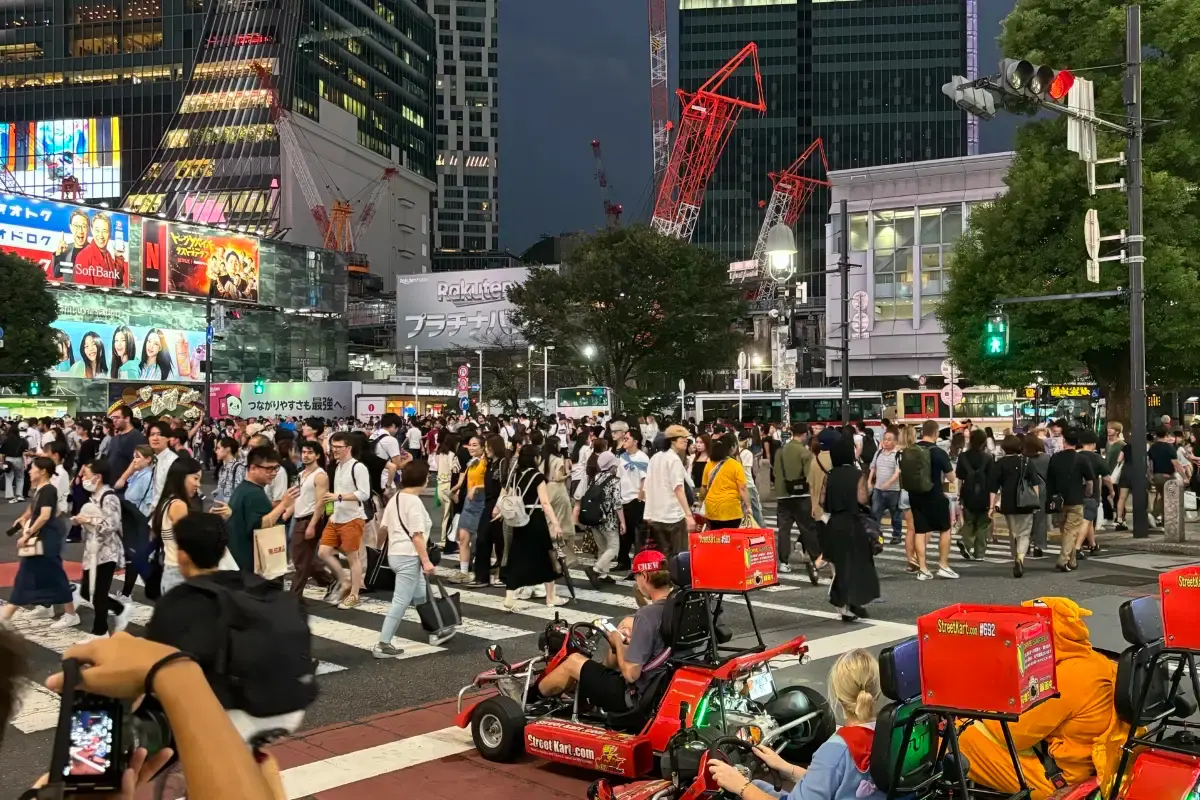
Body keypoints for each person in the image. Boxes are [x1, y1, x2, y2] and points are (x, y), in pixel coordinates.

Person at [960, 598, 1120, 800]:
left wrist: (985, 707)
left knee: (958, 733)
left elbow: (1013, 734)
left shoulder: (1065, 677)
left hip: (1060, 779)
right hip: (1086, 765)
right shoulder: (1095, 661)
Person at [708, 649, 886, 800]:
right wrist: (786, 767)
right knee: (758, 785)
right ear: (877, 691)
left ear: (837, 695)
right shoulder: (887, 732)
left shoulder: (836, 750)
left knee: (748, 789)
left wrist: (740, 786)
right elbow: (828, 780)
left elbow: (830, 770)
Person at [535, 550, 672, 713]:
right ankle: (591, 685)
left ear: (645, 576)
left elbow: (631, 675)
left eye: (636, 577)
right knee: (625, 629)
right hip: (661, 685)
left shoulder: (647, 615)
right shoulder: (677, 604)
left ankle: (533, 698)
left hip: (635, 697)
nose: (636, 582)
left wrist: (618, 642)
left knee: (573, 661)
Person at [374, 460, 443, 657]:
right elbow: (417, 536)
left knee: (420, 594)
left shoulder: (396, 498)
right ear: (423, 479)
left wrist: (378, 548)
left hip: (395, 554)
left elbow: (383, 528)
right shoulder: (414, 502)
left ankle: (434, 628)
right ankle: (383, 643)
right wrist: (426, 562)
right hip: (409, 556)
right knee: (401, 601)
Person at [0, 457, 78, 630]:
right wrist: (23, 518)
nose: (29, 471)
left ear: (43, 471)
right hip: (42, 539)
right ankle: (48, 608)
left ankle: (7, 615)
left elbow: (44, 515)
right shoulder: (40, 489)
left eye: (32, 468)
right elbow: (33, 509)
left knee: (43, 575)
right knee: (44, 576)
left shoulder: (48, 490)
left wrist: (27, 534)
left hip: (46, 540)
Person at [499, 444, 566, 609]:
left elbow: (512, 495)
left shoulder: (515, 475)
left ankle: (509, 597)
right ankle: (551, 597)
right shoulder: (538, 476)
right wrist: (556, 523)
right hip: (535, 518)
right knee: (546, 557)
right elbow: (545, 502)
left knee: (517, 556)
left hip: (519, 519)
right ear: (535, 458)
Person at [70, 458, 132, 637]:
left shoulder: (109, 497)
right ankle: (119, 609)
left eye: (86, 475)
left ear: (98, 477)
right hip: (93, 550)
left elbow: (111, 525)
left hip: (107, 551)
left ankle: (100, 631)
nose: (83, 478)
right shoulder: (95, 496)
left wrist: (87, 520)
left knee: (98, 593)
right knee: (87, 591)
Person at [213, 446, 298, 576]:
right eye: (269, 469)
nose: (274, 473)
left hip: (238, 557)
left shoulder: (244, 488)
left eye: (276, 468)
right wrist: (283, 504)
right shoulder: (254, 493)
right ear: (253, 468)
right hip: (250, 561)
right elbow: (260, 525)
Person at [821, 437, 879, 622]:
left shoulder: (829, 475)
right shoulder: (858, 474)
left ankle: (843, 603)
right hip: (853, 523)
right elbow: (862, 499)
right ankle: (853, 602)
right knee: (858, 564)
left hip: (834, 524)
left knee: (842, 565)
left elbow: (822, 501)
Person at [905, 420, 958, 581]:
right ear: (936, 433)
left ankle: (923, 569)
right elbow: (951, 477)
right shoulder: (938, 452)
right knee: (945, 529)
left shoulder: (910, 450)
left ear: (922, 432)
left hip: (915, 495)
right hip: (935, 496)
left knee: (920, 531)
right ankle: (943, 565)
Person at [775, 423, 822, 583]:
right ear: (804, 434)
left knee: (784, 530)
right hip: (801, 495)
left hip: (783, 495)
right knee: (808, 528)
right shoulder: (804, 452)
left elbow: (776, 473)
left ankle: (784, 562)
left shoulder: (780, 451)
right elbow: (810, 477)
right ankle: (816, 559)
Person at [150, 456, 204, 596]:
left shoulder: (167, 501)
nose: (198, 484)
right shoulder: (179, 505)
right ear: (182, 477)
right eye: (195, 478)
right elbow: (188, 542)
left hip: (170, 569)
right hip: (180, 572)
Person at [991, 435, 1041, 578]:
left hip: (1008, 502)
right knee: (1024, 533)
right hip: (1026, 502)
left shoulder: (1000, 464)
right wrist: (1036, 500)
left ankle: (1015, 557)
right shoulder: (1026, 461)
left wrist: (991, 506)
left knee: (1013, 532)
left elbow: (993, 487)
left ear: (1004, 448)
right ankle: (1020, 558)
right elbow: (1035, 484)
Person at [643, 425, 697, 558]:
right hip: (674, 516)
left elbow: (648, 485)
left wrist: (648, 512)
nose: (686, 440)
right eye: (682, 438)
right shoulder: (674, 459)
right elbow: (678, 488)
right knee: (679, 557)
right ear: (672, 440)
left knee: (663, 556)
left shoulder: (655, 458)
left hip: (656, 516)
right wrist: (688, 515)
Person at [1046, 429, 1096, 572]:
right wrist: (1088, 493)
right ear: (1077, 443)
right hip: (1076, 500)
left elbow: (1049, 481)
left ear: (1064, 442)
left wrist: (1049, 499)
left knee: (1066, 532)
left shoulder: (1055, 458)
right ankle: (1063, 561)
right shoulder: (1082, 459)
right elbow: (1090, 481)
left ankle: (1072, 561)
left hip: (1059, 501)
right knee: (1071, 532)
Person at [290, 440, 335, 599]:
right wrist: (286, 512)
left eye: (309, 452)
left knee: (301, 561)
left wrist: (313, 524)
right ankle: (329, 580)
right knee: (305, 558)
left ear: (317, 455)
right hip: (298, 518)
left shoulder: (320, 476)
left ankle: (294, 597)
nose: (306, 455)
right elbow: (296, 497)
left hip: (309, 520)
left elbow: (321, 502)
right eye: (304, 452)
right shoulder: (300, 474)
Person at [576, 445, 624, 586]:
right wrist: (623, 521)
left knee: (602, 548)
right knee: (613, 548)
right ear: (611, 465)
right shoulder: (614, 481)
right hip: (608, 520)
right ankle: (596, 569)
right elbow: (617, 503)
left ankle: (604, 574)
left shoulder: (595, 478)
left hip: (594, 518)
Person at [955, 429, 995, 561]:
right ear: (984, 441)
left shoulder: (963, 457)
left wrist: (959, 495)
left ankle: (966, 543)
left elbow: (960, 478)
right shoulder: (988, 458)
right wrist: (993, 501)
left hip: (968, 492)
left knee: (969, 521)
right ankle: (979, 553)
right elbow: (992, 480)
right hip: (984, 494)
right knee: (983, 524)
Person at [615, 427, 649, 572]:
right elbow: (618, 477)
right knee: (624, 533)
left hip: (636, 500)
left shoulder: (642, 457)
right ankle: (623, 561)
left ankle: (638, 565)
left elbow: (644, 479)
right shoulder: (622, 457)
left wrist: (640, 497)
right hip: (623, 499)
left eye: (627, 439)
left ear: (635, 442)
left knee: (637, 536)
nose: (624, 441)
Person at [454, 435, 487, 581]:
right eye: (470, 445)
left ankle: (479, 568)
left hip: (482, 502)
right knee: (463, 537)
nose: (471, 448)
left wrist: (477, 488)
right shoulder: (471, 461)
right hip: (469, 502)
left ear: (483, 447)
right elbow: (464, 480)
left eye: (475, 445)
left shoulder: (486, 462)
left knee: (480, 539)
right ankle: (463, 572)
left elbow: (491, 483)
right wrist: (456, 490)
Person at [541, 435, 578, 565]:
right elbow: (558, 477)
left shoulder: (542, 459)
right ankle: (562, 553)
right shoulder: (558, 459)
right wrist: (568, 474)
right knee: (562, 521)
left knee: (549, 520)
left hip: (546, 489)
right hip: (558, 490)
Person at [700, 434, 750, 529]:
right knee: (731, 536)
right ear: (731, 448)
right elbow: (743, 488)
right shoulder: (736, 465)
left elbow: (704, 487)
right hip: (731, 510)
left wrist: (700, 501)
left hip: (712, 509)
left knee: (715, 536)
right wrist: (748, 506)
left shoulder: (709, 465)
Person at [867, 429, 903, 546]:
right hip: (878, 489)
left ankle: (896, 535)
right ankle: (875, 536)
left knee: (895, 514)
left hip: (894, 490)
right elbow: (873, 467)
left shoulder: (898, 454)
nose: (886, 442)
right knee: (875, 513)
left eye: (889, 440)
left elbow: (897, 472)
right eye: (885, 439)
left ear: (895, 442)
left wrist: (888, 483)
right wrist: (869, 481)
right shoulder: (878, 453)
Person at [108, 405, 147, 491]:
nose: (114, 420)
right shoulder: (115, 438)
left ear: (127, 419)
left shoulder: (136, 437)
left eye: (117, 418)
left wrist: (123, 478)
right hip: (112, 485)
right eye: (113, 418)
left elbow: (137, 461)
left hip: (127, 488)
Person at [123, 444, 156, 517]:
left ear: (148, 459)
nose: (134, 460)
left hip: (139, 517)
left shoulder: (148, 477)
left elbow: (150, 503)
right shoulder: (137, 474)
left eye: (137, 457)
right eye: (134, 457)